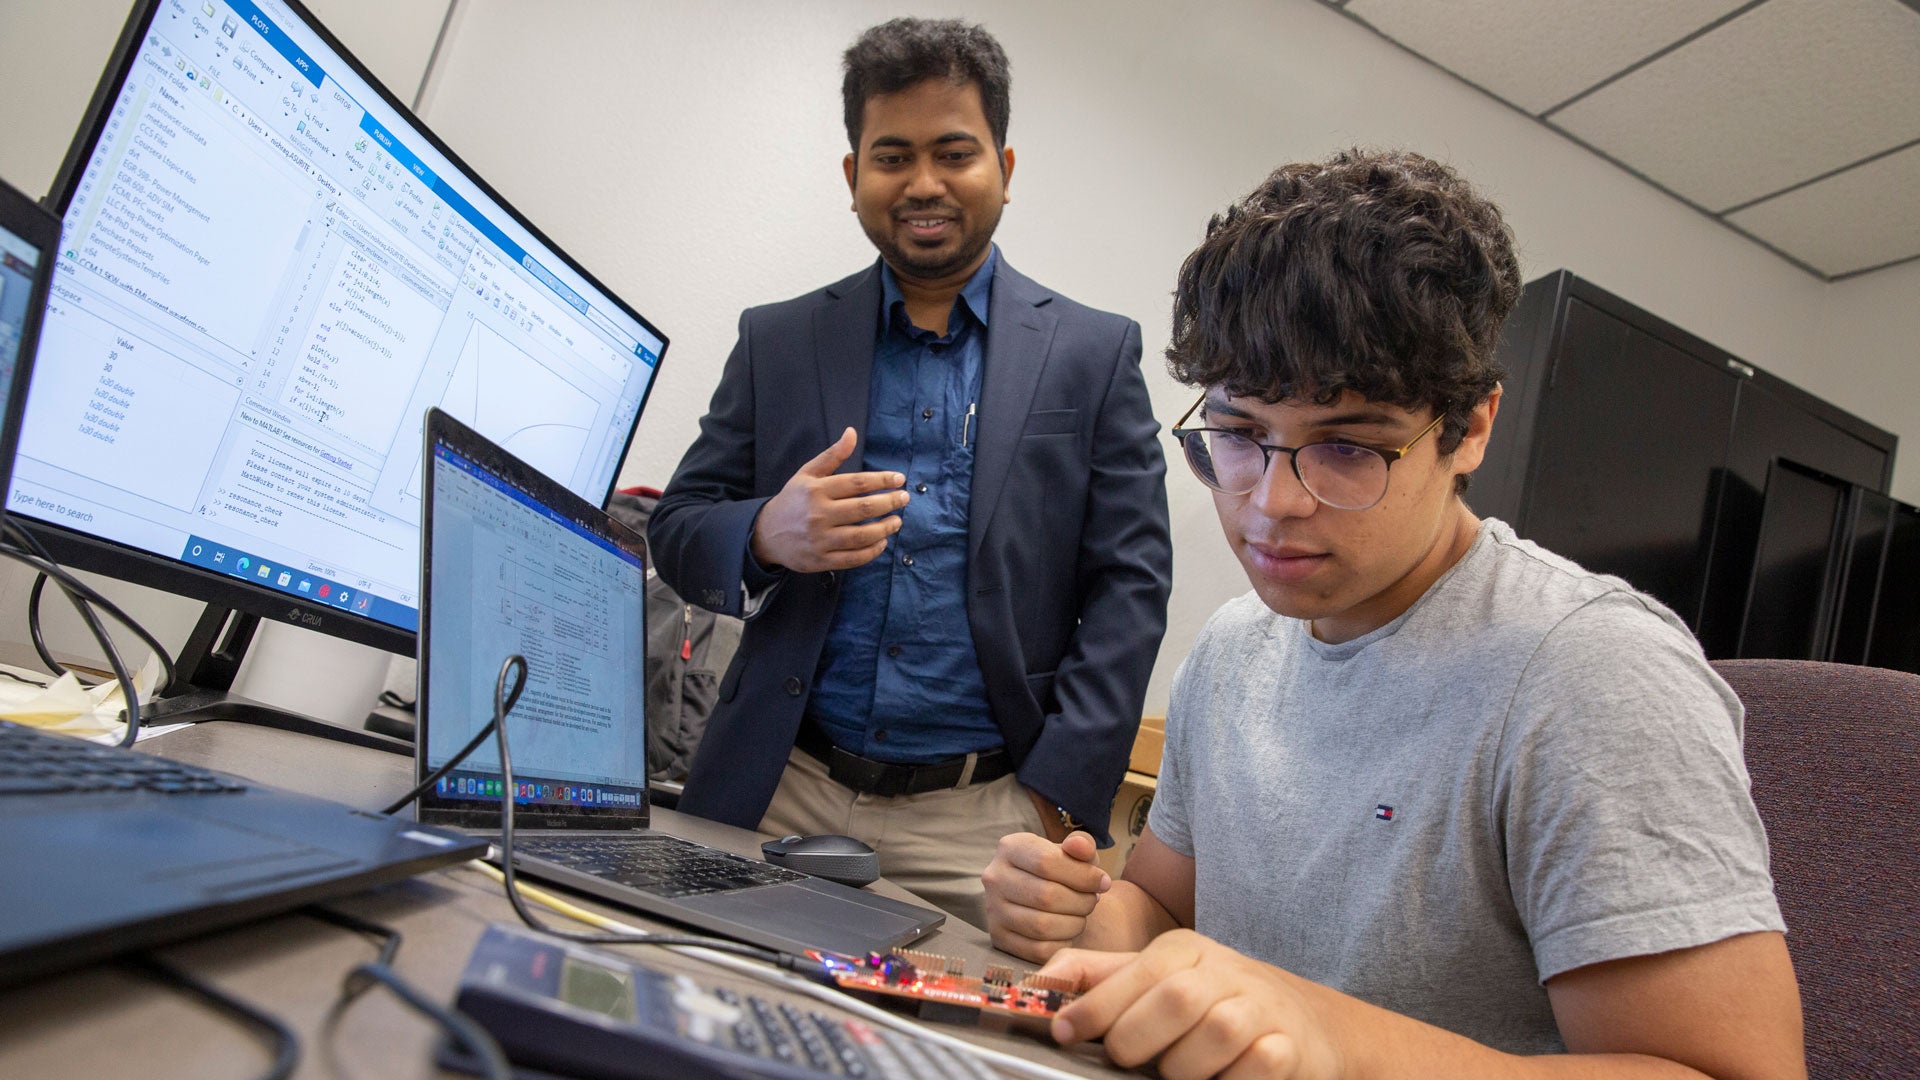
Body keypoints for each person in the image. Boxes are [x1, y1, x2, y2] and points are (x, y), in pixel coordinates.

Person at [980, 149, 1805, 1078]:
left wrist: (1330, 1035)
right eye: (1240, 434)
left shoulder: (1590, 675)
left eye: (1348, 447)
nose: (1271, 504)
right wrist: (1088, 916)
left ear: (1472, 429)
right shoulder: (1232, 650)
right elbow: (1165, 907)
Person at [649, 17, 1171, 929]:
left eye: (954, 153)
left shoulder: (1093, 353)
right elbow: (679, 524)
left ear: (1004, 167)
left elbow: (1131, 585)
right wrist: (768, 533)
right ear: (854, 177)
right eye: (892, 156)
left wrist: (1057, 797)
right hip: (780, 784)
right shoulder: (778, 339)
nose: (923, 183)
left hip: (986, 821)